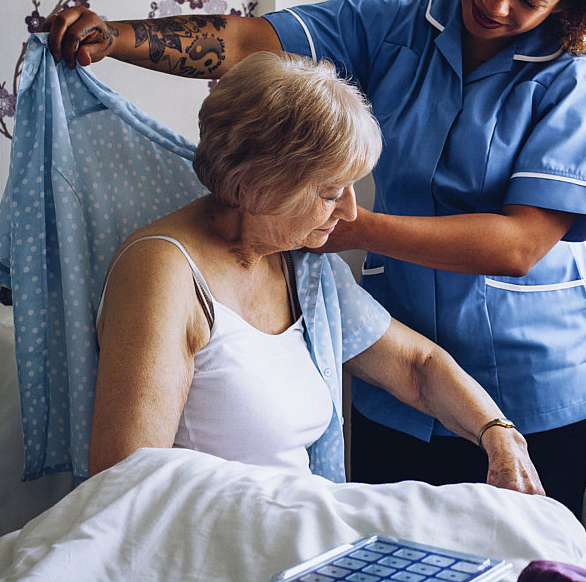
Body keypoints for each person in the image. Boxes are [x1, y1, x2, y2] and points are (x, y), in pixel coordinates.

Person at [51, 0, 586, 517]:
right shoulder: (392, 25)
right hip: (396, 385)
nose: (496, 4)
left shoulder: (575, 83)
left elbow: (519, 245)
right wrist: (116, 38)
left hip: (530, 384)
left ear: (570, 2)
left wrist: (345, 223)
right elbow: (250, 41)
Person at [87, 49, 543, 496]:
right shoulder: (164, 273)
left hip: (294, 528)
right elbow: (125, 485)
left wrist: (499, 433)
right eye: (329, 192)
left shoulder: (301, 265)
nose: (349, 210)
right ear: (255, 183)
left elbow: (416, 365)